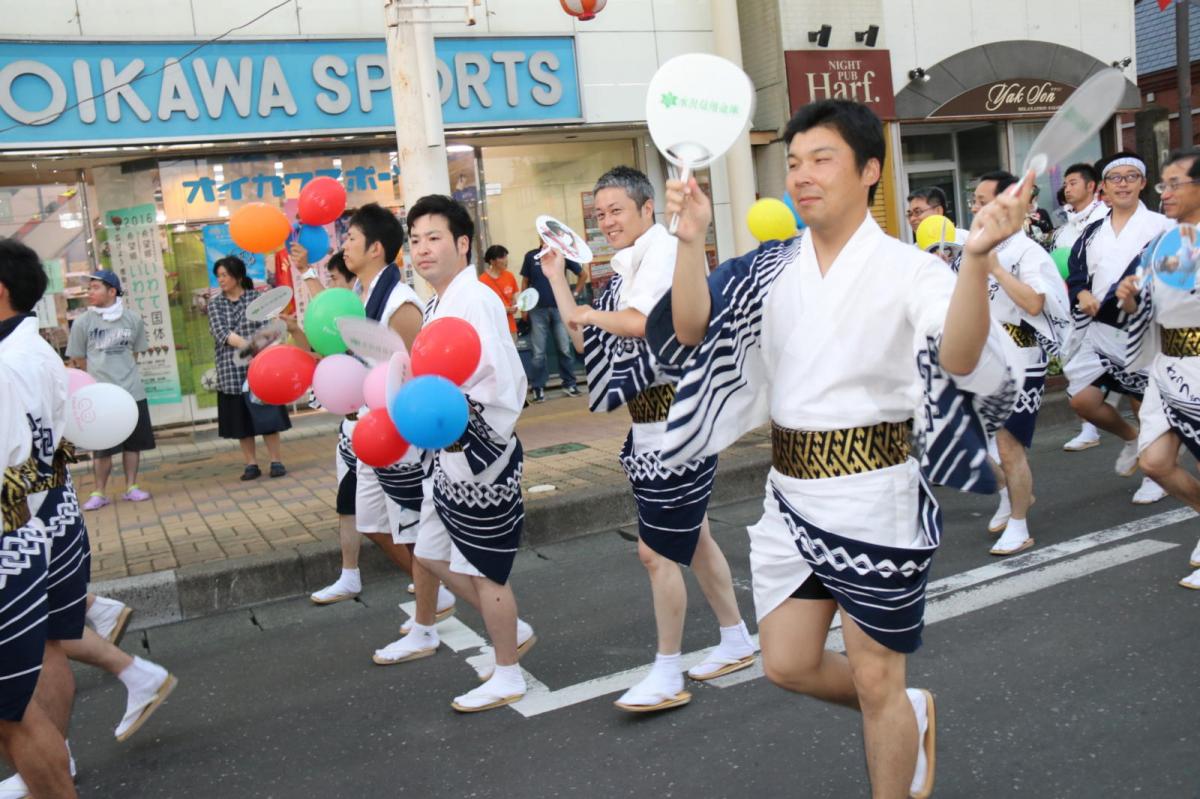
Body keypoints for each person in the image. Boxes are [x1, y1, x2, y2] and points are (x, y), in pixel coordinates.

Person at [647, 99, 1026, 799]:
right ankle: (904, 715)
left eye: (821, 159)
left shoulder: (909, 268)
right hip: (789, 493)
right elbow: (691, 327)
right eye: (793, 162)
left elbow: (964, 352)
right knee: (786, 663)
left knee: (877, 671)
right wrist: (688, 237)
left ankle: (893, 724)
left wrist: (975, 260)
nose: (802, 175)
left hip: (876, 493)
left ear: (869, 171)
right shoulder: (767, 269)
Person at [542, 166, 756, 712]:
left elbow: (643, 324)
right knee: (697, 540)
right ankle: (735, 639)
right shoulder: (626, 265)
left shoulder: (663, 254)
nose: (606, 221)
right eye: (600, 213)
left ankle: (667, 672)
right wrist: (556, 280)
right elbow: (585, 330)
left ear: (646, 210)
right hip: (650, 430)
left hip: (680, 428)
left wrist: (591, 309)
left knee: (655, 553)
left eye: (616, 210)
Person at [0, 240, 176, 798]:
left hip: (18, 529)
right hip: (44, 516)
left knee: (13, 703)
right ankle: (51, 766)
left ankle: (48, 770)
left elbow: (12, 462)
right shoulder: (28, 351)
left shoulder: (11, 362)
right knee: (47, 648)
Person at [376, 194, 536, 713]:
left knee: (486, 568)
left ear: (463, 243)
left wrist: (458, 423)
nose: (422, 249)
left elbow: (501, 381)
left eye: (434, 238)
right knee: (430, 553)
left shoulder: (477, 299)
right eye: (416, 240)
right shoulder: (438, 301)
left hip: (478, 451)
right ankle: (510, 629)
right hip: (446, 450)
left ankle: (508, 671)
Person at [295, 207, 454, 629]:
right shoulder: (363, 296)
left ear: (376, 248)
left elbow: (415, 371)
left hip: (397, 430)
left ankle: (433, 607)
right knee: (371, 523)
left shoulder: (400, 302)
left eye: (350, 239)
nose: (343, 246)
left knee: (410, 528)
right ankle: (436, 592)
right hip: (370, 426)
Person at [969, 172, 1071, 555]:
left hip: (1020, 359)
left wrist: (995, 270)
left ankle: (1019, 523)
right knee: (975, 444)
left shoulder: (1028, 252)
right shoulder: (976, 245)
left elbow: (1034, 303)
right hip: (982, 357)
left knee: (1010, 448)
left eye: (982, 201)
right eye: (974, 201)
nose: (975, 208)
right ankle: (1012, 497)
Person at [1115, 147, 1200, 588]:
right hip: (1167, 367)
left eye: (1173, 184)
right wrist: (1130, 297)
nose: (1164, 193)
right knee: (1154, 463)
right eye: (1163, 184)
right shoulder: (1165, 243)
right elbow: (1148, 306)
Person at [1066, 152, 1171, 505]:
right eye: (1115, 178)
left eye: (1131, 177)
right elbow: (1077, 273)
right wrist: (1081, 293)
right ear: (1104, 188)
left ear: (1142, 183)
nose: (1123, 184)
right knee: (1083, 401)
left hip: (1143, 327)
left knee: (1143, 402)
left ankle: (1154, 473)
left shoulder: (1162, 226)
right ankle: (1131, 438)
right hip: (1099, 332)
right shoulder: (1093, 231)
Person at [65, 269, 156, 509]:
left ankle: (132, 486)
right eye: (89, 288)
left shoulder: (132, 319)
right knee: (102, 446)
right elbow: (78, 358)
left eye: (95, 288)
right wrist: (97, 380)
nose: (90, 293)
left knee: (133, 443)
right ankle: (99, 492)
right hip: (100, 395)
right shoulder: (83, 322)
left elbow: (135, 352)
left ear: (112, 291)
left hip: (132, 391)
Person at [207, 256, 290, 480]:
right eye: (219, 276)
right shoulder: (215, 304)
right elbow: (221, 333)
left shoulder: (256, 299)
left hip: (260, 366)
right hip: (230, 368)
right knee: (240, 419)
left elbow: (268, 328)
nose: (221, 280)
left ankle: (276, 460)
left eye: (224, 275)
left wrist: (256, 351)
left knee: (267, 413)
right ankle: (251, 464)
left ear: (238, 275)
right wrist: (248, 348)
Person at [1055, 162, 1113, 453]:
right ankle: (1089, 427)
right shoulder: (1064, 228)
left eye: (1074, 182)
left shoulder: (1107, 218)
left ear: (1092, 186)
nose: (1068, 188)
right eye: (1066, 183)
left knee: (1129, 373)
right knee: (1075, 367)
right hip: (1076, 307)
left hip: (1109, 307)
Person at [521, 242, 586, 402]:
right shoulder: (531, 256)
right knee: (538, 352)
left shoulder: (560, 255)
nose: (546, 241)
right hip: (537, 310)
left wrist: (575, 294)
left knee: (565, 348)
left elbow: (582, 274)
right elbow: (525, 281)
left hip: (559, 310)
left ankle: (570, 384)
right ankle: (538, 388)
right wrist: (524, 307)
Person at [479, 244, 519, 341]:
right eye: (502, 257)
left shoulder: (510, 276)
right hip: (493, 329)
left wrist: (515, 306)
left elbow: (513, 298)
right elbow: (483, 307)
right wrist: (504, 310)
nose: (506, 260)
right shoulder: (482, 280)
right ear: (492, 261)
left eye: (506, 256)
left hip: (510, 327)